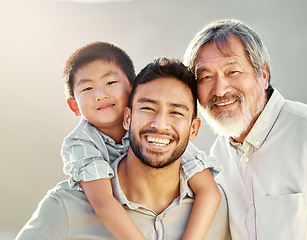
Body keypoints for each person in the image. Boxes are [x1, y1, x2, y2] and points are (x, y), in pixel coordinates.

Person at [183, 19, 307, 240]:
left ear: (263, 74)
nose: (220, 89)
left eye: (233, 71)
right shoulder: (219, 157)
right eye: (206, 77)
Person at [20, 41, 221, 240]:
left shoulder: (167, 139)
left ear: (131, 89)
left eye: (110, 83)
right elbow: (102, 202)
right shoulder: (82, 146)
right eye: (87, 88)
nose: (100, 95)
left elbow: (209, 192)